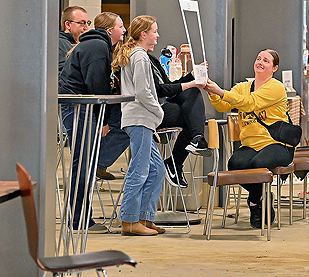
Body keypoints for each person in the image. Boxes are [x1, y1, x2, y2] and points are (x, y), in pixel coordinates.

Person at [203, 49, 295, 228]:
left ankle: (254, 202)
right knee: (235, 164)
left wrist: (221, 91)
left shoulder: (276, 87)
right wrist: (212, 91)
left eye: (266, 61)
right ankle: (262, 196)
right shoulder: (242, 87)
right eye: (258, 58)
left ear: (274, 68)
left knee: (257, 165)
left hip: (276, 143)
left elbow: (250, 103)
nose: (260, 62)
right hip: (251, 145)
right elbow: (222, 105)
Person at [58, 11, 130, 233]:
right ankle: (79, 219)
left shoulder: (98, 46)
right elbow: (97, 86)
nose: (124, 30)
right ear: (109, 30)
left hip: (80, 106)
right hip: (79, 106)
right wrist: (103, 119)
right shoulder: (98, 47)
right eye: (121, 26)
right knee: (82, 163)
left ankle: (81, 215)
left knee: (85, 162)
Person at [113, 15, 166, 236]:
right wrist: (159, 113)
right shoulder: (140, 57)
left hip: (142, 120)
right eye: (154, 31)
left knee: (157, 169)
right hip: (139, 119)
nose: (157, 35)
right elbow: (143, 92)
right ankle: (129, 220)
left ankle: (144, 217)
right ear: (143, 34)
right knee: (139, 170)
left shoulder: (135, 54)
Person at [147, 52, 210, 188]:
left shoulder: (151, 59)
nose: (156, 39)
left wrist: (190, 76)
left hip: (162, 103)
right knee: (193, 116)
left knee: (193, 97)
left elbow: (168, 85)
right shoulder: (139, 58)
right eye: (154, 35)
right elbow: (160, 90)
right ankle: (175, 163)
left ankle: (197, 138)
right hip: (150, 110)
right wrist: (189, 84)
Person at [59, 5, 90, 74]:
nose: (87, 28)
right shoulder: (59, 45)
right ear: (68, 25)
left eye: (88, 23)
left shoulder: (81, 44)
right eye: (82, 23)